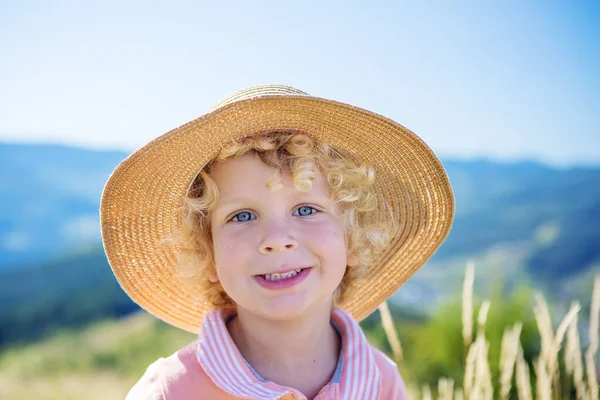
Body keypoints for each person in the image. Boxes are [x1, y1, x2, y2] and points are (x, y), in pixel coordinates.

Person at [100, 85, 455, 399]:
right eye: (242, 216)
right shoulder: (170, 391)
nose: (277, 240)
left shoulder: (381, 384)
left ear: (352, 237)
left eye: (305, 209)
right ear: (207, 253)